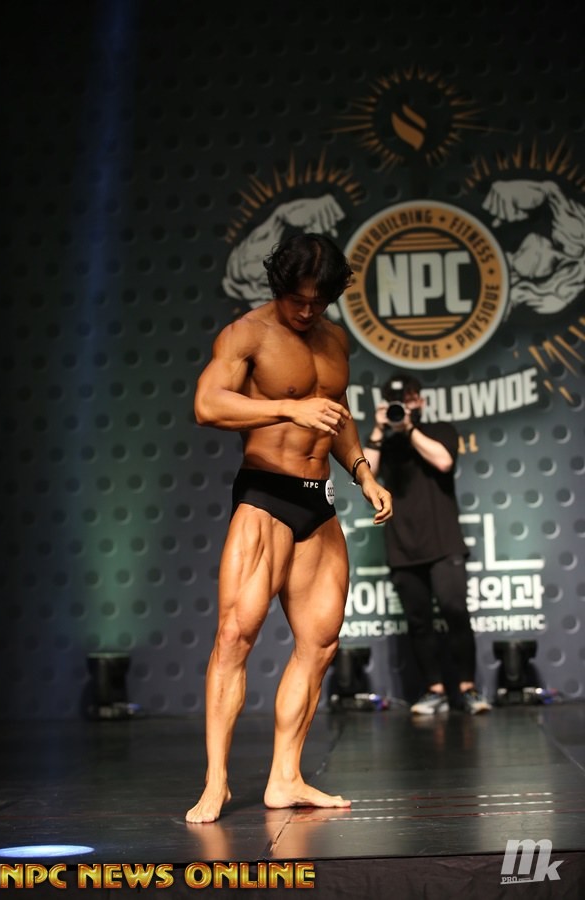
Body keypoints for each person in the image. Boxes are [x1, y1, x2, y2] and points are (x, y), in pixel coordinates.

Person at [186, 232, 393, 824]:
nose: (306, 311)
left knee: (320, 644)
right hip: (266, 495)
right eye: (297, 299)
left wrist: (362, 473)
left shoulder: (335, 341)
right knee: (235, 636)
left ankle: (285, 777)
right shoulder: (247, 334)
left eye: (317, 302)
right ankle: (217, 782)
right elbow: (207, 405)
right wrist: (286, 407)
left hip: (318, 503)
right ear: (279, 286)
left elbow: (337, 416)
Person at [362, 373, 491, 716]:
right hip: (402, 545)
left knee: (455, 612)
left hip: (444, 542)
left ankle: (468, 688)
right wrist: (378, 431)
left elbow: (444, 461)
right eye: (396, 402)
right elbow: (365, 475)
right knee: (418, 621)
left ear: (420, 401)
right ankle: (434, 690)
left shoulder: (440, 430)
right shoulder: (384, 441)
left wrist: (408, 429)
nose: (403, 406)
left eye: (408, 399)